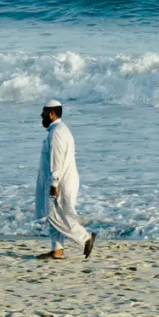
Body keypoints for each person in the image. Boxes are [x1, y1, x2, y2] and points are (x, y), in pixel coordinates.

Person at [35, 100, 96, 259]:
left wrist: (54, 182)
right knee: (56, 214)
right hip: (61, 179)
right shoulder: (59, 130)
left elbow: (57, 159)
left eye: (43, 113)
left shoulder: (57, 133)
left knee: (55, 216)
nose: (41, 116)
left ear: (51, 114)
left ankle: (85, 238)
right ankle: (57, 250)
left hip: (60, 181)